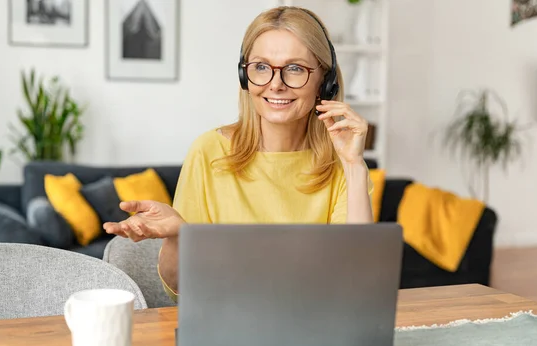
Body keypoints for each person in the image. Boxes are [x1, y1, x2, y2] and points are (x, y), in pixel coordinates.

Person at [103, 6, 375, 303]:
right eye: (261, 67)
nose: (276, 83)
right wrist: (178, 238)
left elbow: (357, 280)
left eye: (295, 68)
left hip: (318, 324)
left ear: (325, 80)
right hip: (225, 326)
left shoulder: (342, 162)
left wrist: (354, 166)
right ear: (245, 76)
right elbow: (182, 291)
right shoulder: (209, 151)